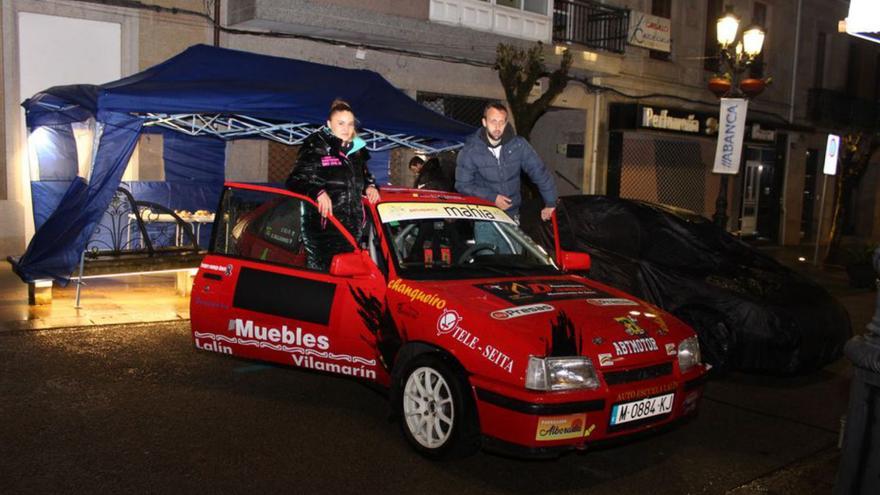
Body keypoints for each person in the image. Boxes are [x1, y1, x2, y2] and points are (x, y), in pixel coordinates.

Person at [286, 99, 380, 270]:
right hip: (324, 231)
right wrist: (318, 192)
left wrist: (370, 186)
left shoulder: (357, 151)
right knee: (324, 282)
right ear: (329, 124)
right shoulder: (316, 146)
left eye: (350, 124)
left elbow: (365, 177)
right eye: (341, 123)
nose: (346, 129)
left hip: (352, 230)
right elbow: (294, 180)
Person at [455, 102, 557, 222]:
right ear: (484, 122)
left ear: (506, 123)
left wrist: (551, 202)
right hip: (485, 214)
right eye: (493, 121)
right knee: (487, 242)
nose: (497, 127)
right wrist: (493, 198)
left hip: (512, 213)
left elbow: (539, 172)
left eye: (501, 122)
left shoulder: (518, 145)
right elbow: (462, 185)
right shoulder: (471, 150)